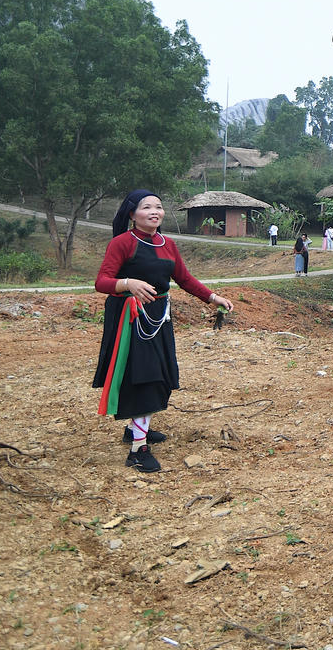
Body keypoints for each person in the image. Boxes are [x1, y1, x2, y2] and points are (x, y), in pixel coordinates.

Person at [93, 190, 234, 473]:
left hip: (159, 317)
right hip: (129, 318)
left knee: (159, 374)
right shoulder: (122, 243)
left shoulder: (167, 244)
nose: (155, 212)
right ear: (132, 214)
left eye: (158, 207)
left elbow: (183, 278)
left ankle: (135, 430)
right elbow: (102, 281)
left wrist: (213, 297)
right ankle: (138, 450)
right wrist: (128, 283)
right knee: (143, 377)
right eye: (147, 207)